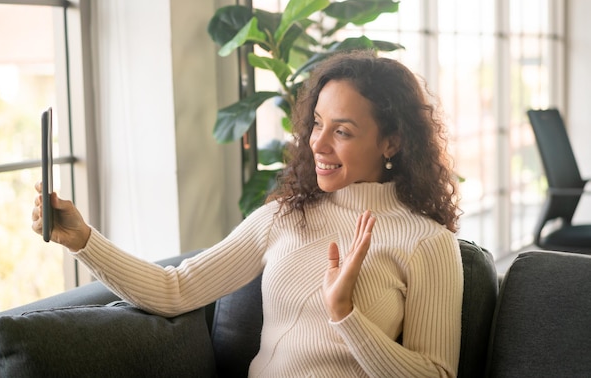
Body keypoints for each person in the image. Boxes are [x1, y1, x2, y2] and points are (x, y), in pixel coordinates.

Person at [32, 49, 463, 377]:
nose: (318, 143)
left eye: (343, 131)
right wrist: (83, 240)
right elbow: (175, 289)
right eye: (317, 123)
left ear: (391, 142)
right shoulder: (286, 216)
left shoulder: (427, 243)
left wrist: (346, 314)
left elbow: (438, 373)